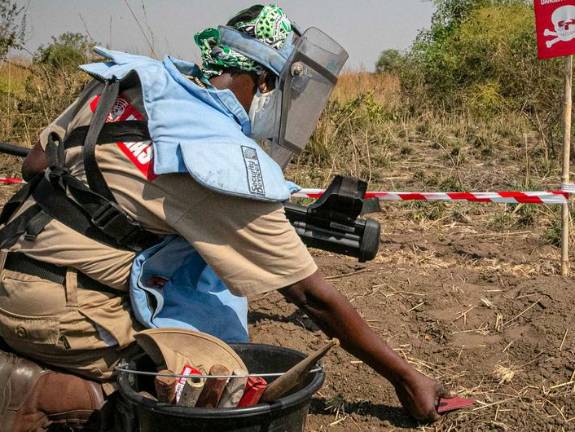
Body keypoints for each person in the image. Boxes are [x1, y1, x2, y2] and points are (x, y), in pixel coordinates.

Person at [0, 4, 447, 430]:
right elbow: (313, 297)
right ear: (264, 85)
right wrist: (407, 378)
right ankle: (46, 396)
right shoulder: (221, 160)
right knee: (207, 388)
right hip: (51, 309)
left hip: (12, 257)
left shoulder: (135, 81)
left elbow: (35, 164)